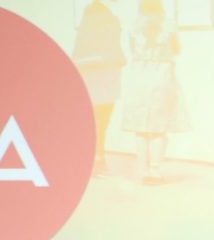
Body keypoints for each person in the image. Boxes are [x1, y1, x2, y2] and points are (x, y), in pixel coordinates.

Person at [119, 0, 190, 184]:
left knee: (141, 128)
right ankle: (155, 171)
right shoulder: (168, 25)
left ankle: (144, 172)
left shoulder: (134, 25)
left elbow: (132, 49)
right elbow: (177, 49)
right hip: (161, 76)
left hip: (139, 77)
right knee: (158, 127)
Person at [72, 0, 126, 175]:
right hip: (107, 76)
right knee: (102, 120)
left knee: (91, 118)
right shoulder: (112, 20)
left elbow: (76, 53)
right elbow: (117, 52)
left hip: (89, 76)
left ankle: (93, 155)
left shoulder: (85, 25)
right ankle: (98, 155)